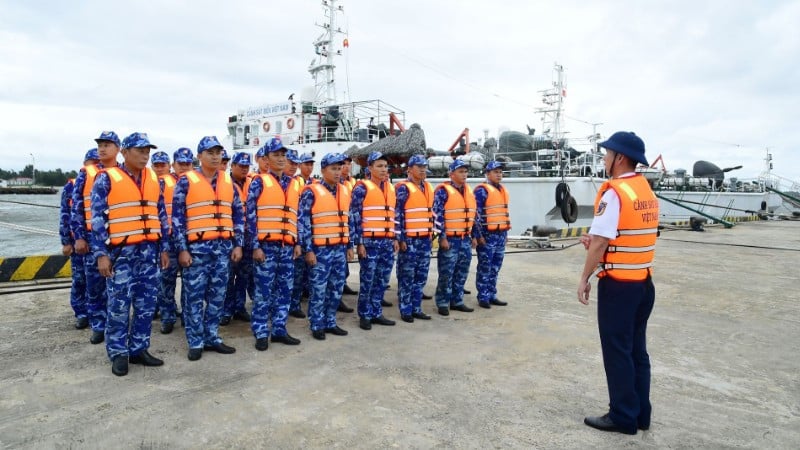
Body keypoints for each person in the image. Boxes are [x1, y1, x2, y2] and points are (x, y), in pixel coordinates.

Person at [578, 131, 658, 435]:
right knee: (637, 350)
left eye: (606, 153)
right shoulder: (644, 191)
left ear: (619, 158)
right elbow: (626, 234)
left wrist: (584, 277)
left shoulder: (614, 192)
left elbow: (599, 243)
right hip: (643, 283)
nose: (603, 158)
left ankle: (623, 416)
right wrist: (600, 243)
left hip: (619, 286)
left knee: (617, 351)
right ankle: (640, 414)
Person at [90, 132, 170, 376]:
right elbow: (96, 220)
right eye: (139, 150)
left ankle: (139, 348)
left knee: (146, 305)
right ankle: (118, 352)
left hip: (149, 253)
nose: (145, 155)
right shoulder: (106, 179)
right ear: (125, 152)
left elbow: (161, 215)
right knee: (119, 306)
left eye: (147, 150)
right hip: (120, 254)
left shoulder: (155, 179)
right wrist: (101, 254)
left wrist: (164, 247)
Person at [172, 136, 244, 361]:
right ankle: (195, 341)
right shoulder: (186, 181)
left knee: (217, 297)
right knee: (193, 297)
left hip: (222, 249)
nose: (215, 156)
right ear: (199, 156)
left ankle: (212, 336)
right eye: (210, 152)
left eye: (218, 152)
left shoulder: (228, 182)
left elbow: (238, 215)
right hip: (196, 251)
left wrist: (238, 244)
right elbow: (177, 219)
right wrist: (182, 249)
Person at [247, 138, 303, 350]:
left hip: (287, 246)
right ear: (266, 159)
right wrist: (255, 246)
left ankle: (279, 329)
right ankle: (261, 331)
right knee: (263, 291)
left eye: (283, 155)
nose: (281, 159)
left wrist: (297, 242)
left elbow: (295, 217)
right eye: (276, 155)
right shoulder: (259, 182)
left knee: (284, 290)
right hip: (266, 246)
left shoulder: (292, 184)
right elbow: (250, 217)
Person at [297, 153, 354, 340]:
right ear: (323, 170)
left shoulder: (345, 190)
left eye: (339, 168)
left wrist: (349, 245)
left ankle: (330, 321)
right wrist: (308, 250)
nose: (338, 172)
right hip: (320, 250)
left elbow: (348, 220)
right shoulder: (310, 191)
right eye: (333, 169)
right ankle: (317, 324)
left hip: (339, 248)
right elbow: (303, 223)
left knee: (336, 288)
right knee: (318, 289)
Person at [71, 131, 120, 345]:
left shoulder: (125, 173)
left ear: (118, 148)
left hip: (120, 241)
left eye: (107, 144)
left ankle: (114, 324)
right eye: (100, 144)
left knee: (118, 287)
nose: (102, 148)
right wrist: (78, 237)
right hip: (93, 240)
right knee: (94, 285)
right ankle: (98, 325)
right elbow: (77, 209)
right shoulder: (87, 174)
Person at [350, 151, 398, 330]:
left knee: (382, 279)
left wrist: (394, 236)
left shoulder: (391, 188)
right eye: (379, 166)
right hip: (370, 242)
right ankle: (364, 314)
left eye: (385, 166)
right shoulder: (362, 188)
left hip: (387, 241)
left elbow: (393, 214)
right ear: (369, 168)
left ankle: (376, 312)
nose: (383, 169)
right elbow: (355, 216)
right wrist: (359, 243)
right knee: (368, 280)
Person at [59, 148, 99, 330]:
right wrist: (66, 241)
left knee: (98, 281)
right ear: (85, 163)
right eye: (92, 161)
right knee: (80, 278)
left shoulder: (106, 179)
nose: (95, 164)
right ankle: (81, 313)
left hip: (97, 240)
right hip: (78, 241)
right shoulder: (73, 185)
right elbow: (65, 214)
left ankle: (98, 313)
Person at [433, 159, 478, 316]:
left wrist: (474, 236)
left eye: (466, 171)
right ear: (451, 174)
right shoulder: (443, 191)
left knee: (462, 272)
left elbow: (474, 216)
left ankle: (457, 300)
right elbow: (437, 216)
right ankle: (443, 302)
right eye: (460, 171)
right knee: (446, 273)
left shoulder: (469, 191)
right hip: (450, 240)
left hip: (465, 238)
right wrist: (442, 237)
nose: (464, 174)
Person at [394, 154, 434, 323]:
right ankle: (406, 309)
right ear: (409, 169)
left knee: (421, 276)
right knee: (407, 276)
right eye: (419, 166)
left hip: (425, 239)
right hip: (409, 240)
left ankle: (417, 308)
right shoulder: (403, 188)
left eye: (424, 166)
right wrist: (400, 238)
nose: (423, 169)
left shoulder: (428, 187)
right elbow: (397, 214)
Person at [221, 151, 255, 326]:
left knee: (244, 276)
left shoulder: (253, 183)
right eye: (240, 165)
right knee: (228, 276)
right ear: (232, 166)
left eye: (246, 166)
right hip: (231, 239)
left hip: (249, 238)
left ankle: (239, 307)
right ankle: (226, 310)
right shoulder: (224, 183)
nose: (243, 169)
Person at [474, 160, 510, 309]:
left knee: (496, 267)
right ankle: (483, 296)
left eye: (500, 172)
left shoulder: (502, 190)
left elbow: (503, 213)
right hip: (487, 236)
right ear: (487, 174)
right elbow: (475, 216)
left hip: (501, 234)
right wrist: (478, 235)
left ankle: (491, 294)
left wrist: (506, 233)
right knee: (485, 266)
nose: (499, 174)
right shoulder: (481, 191)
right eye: (495, 172)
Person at [150, 150, 179, 334]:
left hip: (181, 239)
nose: (160, 168)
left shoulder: (180, 184)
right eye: (156, 165)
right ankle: (167, 316)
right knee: (165, 280)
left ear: (169, 166)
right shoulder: (149, 185)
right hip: (162, 240)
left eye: (163, 164)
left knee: (189, 282)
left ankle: (178, 312)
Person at [288, 151, 314, 318]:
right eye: (306, 164)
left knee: (304, 271)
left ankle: (297, 300)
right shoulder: (293, 183)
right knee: (294, 273)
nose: (309, 167)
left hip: (307, 231)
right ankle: (293, 303)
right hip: (291, 233)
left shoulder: (313, 183)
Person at [339, 154, 359, 299]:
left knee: (345, 263)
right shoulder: (336, 184)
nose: (346, 166)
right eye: (343, 163)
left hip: (349, 223)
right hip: (337, 227)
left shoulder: (353, 183)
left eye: (348, 163)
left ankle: (343, 285)